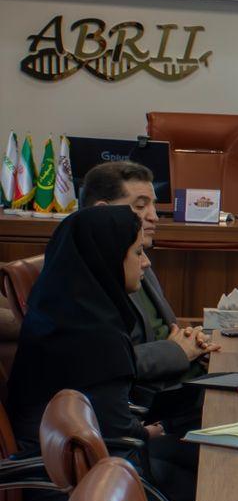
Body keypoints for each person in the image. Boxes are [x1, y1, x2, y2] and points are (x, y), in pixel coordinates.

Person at [6, 206, 199, 501]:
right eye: (138, 253)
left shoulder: (64, 309)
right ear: (106, 258)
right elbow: (116, 435)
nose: (146, 262)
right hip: (76, 482)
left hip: (75, 462)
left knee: (204, 453)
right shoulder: (93, 333)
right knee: (215, 478)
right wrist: (152, 430)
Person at [79, 161, 218, 400]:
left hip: (185, 376)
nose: (154, 216)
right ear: (102, 212)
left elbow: (167, 329)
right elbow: (104, 363)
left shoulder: (138, 257)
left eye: (153, 205)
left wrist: (193, 343)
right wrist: (175, 351)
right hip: (153, 398)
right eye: (141, 206)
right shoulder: (86, 275)